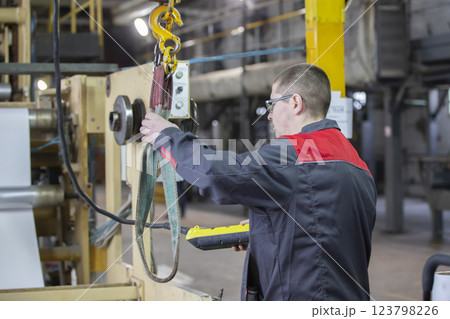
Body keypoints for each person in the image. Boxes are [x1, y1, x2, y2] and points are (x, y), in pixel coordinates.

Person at [140, 63, 377, 301]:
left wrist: (168, 137)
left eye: (272, 105)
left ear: (295, 103)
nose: (270, 115)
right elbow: (325, 227)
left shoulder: (294, 154)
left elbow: (213, 173)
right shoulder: (357, 163)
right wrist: (269, 228)